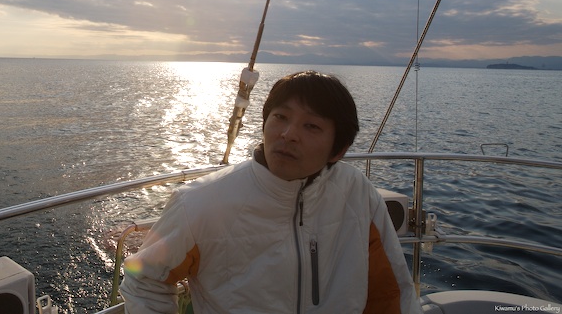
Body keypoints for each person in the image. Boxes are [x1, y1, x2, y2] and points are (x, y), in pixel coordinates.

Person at [120, 71, 422, 313]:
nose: (288, 135)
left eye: (311, 126)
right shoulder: (200, 202)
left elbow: (391, 290)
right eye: (281, 117)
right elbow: (144, 280)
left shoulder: (356, 193)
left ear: (338, 149)